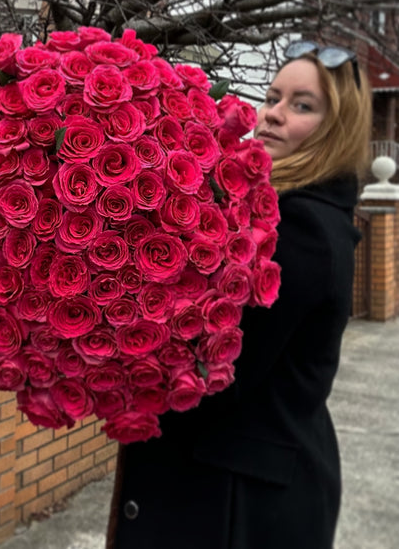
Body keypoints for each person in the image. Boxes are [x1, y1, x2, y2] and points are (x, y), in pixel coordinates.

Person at [106, 40, 372, 549]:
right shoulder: (287, 206)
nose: (273, 114)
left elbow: (221, 372)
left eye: (302, 106)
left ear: (337, 129)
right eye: (273, 97)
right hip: (248, 483)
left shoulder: (300, 226)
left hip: (237, 502)